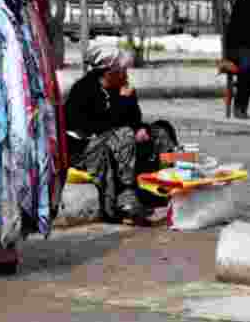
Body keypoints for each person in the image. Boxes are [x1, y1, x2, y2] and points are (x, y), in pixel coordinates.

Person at [64, 46, 178, 223]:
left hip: (118, 138)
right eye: (122, 70)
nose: (126, 74)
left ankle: (167, 186)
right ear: (109, 72)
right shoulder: (83, 91)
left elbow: (134, 119)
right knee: (124, 134)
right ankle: (126, 197)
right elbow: (95, 127)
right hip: (88, 147)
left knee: (161, 130)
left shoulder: (123, 88)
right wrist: (122, 103)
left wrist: (141, 129)